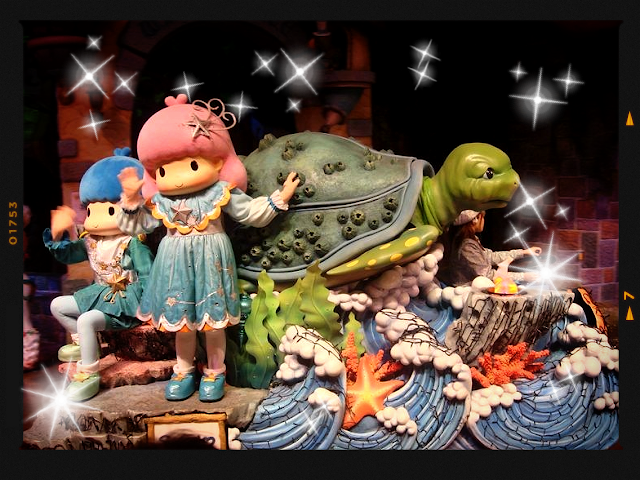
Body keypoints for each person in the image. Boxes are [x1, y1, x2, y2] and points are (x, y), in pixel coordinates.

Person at [117, 94, 299, 402]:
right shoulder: (161, 201)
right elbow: (138, 226)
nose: (177, 178)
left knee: (214, 324)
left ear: (217, 160)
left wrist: (279, 197)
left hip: (211, 262)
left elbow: (249, 212)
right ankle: (184, 369)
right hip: (174, 266)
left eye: (191, 164)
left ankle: (215, 371)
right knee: (183, 325)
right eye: (164, 170)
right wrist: (131, 199)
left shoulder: (219, 192)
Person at [43, 149, 154, 401]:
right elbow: (68, 254)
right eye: (92, 211)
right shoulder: (91, 241)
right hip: (99, 293)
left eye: (110, 211)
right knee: (58, 305)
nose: (95, 220)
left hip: (126, 301)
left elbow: (149, 275)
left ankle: (89, 372)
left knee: (87, 320)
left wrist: (148, 307)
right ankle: (84, 344)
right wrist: (58, 234)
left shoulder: (132, 243)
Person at [437, 210, 541, 287]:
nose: (484, 221)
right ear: (475, 219)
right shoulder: (466, 246)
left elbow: (491, 256)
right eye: (482, 217)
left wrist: (523, 252)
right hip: (467, 294)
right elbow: (488, 275)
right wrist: (523, 276)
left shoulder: (472, 240)